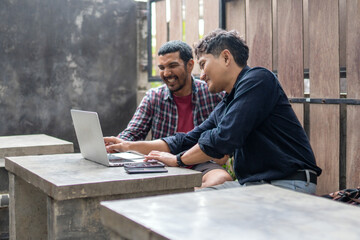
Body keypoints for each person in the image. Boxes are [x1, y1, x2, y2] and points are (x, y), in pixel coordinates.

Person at [105, 29, 322, 194]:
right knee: (187, 206)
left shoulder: (259, 79)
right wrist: (128, 146)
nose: (201, 75)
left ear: (226, 58)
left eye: (203, 64)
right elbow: (189, 138)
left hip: (286, 183)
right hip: (256, 185)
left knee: (199, 206)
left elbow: (223, 138)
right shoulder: (228, 101)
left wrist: (178, 160)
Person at [113, 40, 233, 188]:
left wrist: (224, 154)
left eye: (172, 66)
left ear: (190, 65)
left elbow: (228, 133)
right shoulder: (153, 97)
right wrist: (116, 146)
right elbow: (132, 133)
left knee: (222, 179)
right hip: (161, 162)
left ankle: (184, 200)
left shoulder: (213, 94)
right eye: (162, 67)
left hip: (201, 162)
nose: (166, 73)